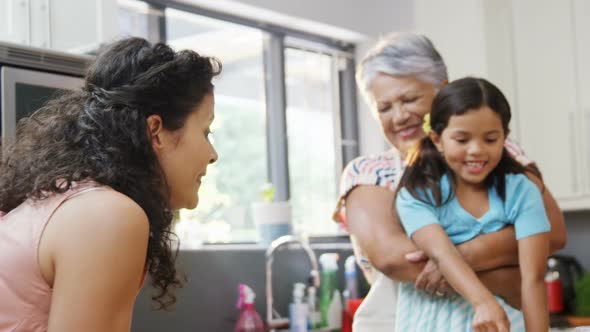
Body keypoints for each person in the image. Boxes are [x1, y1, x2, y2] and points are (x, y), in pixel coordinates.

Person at [332, 32, 566, 332]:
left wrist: (453, 258)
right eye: (384, 107)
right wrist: (504, 276)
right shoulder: (368, 173)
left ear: (443, 91)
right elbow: (394, 258)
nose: (399, 116)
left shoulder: (501, 156)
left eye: (409, 99)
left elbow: (553, 231)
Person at [0, 37, 220, 332]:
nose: (213, 154)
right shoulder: (108, 216)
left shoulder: (67, 199)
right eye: (205, 131)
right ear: (156, 131)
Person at [395, 77, 549, 331]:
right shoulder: (417, 195)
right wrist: (484, 303)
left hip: (506, 322)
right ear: (437, 139)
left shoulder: (522, 191)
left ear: (504, 138)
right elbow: (442, 254)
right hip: (434, 320)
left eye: (490, 139)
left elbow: (533, 278)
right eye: (462, 140)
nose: (476, 150)